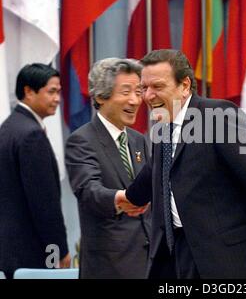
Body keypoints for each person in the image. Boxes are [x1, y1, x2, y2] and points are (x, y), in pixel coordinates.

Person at [116, 49, 246, 279]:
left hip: (232, 260)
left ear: (184, 86)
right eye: (145, 88)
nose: (148, 96)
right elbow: (157, 170)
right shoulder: (164, 125)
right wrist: (130, 197)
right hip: (181, 256)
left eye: (158, 87)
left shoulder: (218, 116)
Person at [65, 58, 150, 279]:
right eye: (126, 92)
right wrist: (123, 198)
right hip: (110, 265)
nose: (135, 100)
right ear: (101, 96)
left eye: (138, 91)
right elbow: (89, 191)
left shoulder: (139, 140)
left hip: (150, 261)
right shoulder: (82, 140)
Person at [0, 63, 70, 279]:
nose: (57, 98)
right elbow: (44, 203)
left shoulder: (10, 127)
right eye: (51, 91)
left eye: (59, 92)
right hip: (31, 251)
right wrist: (60, 250)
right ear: (29, 91)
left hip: (10, 250)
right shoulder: (31, 135)